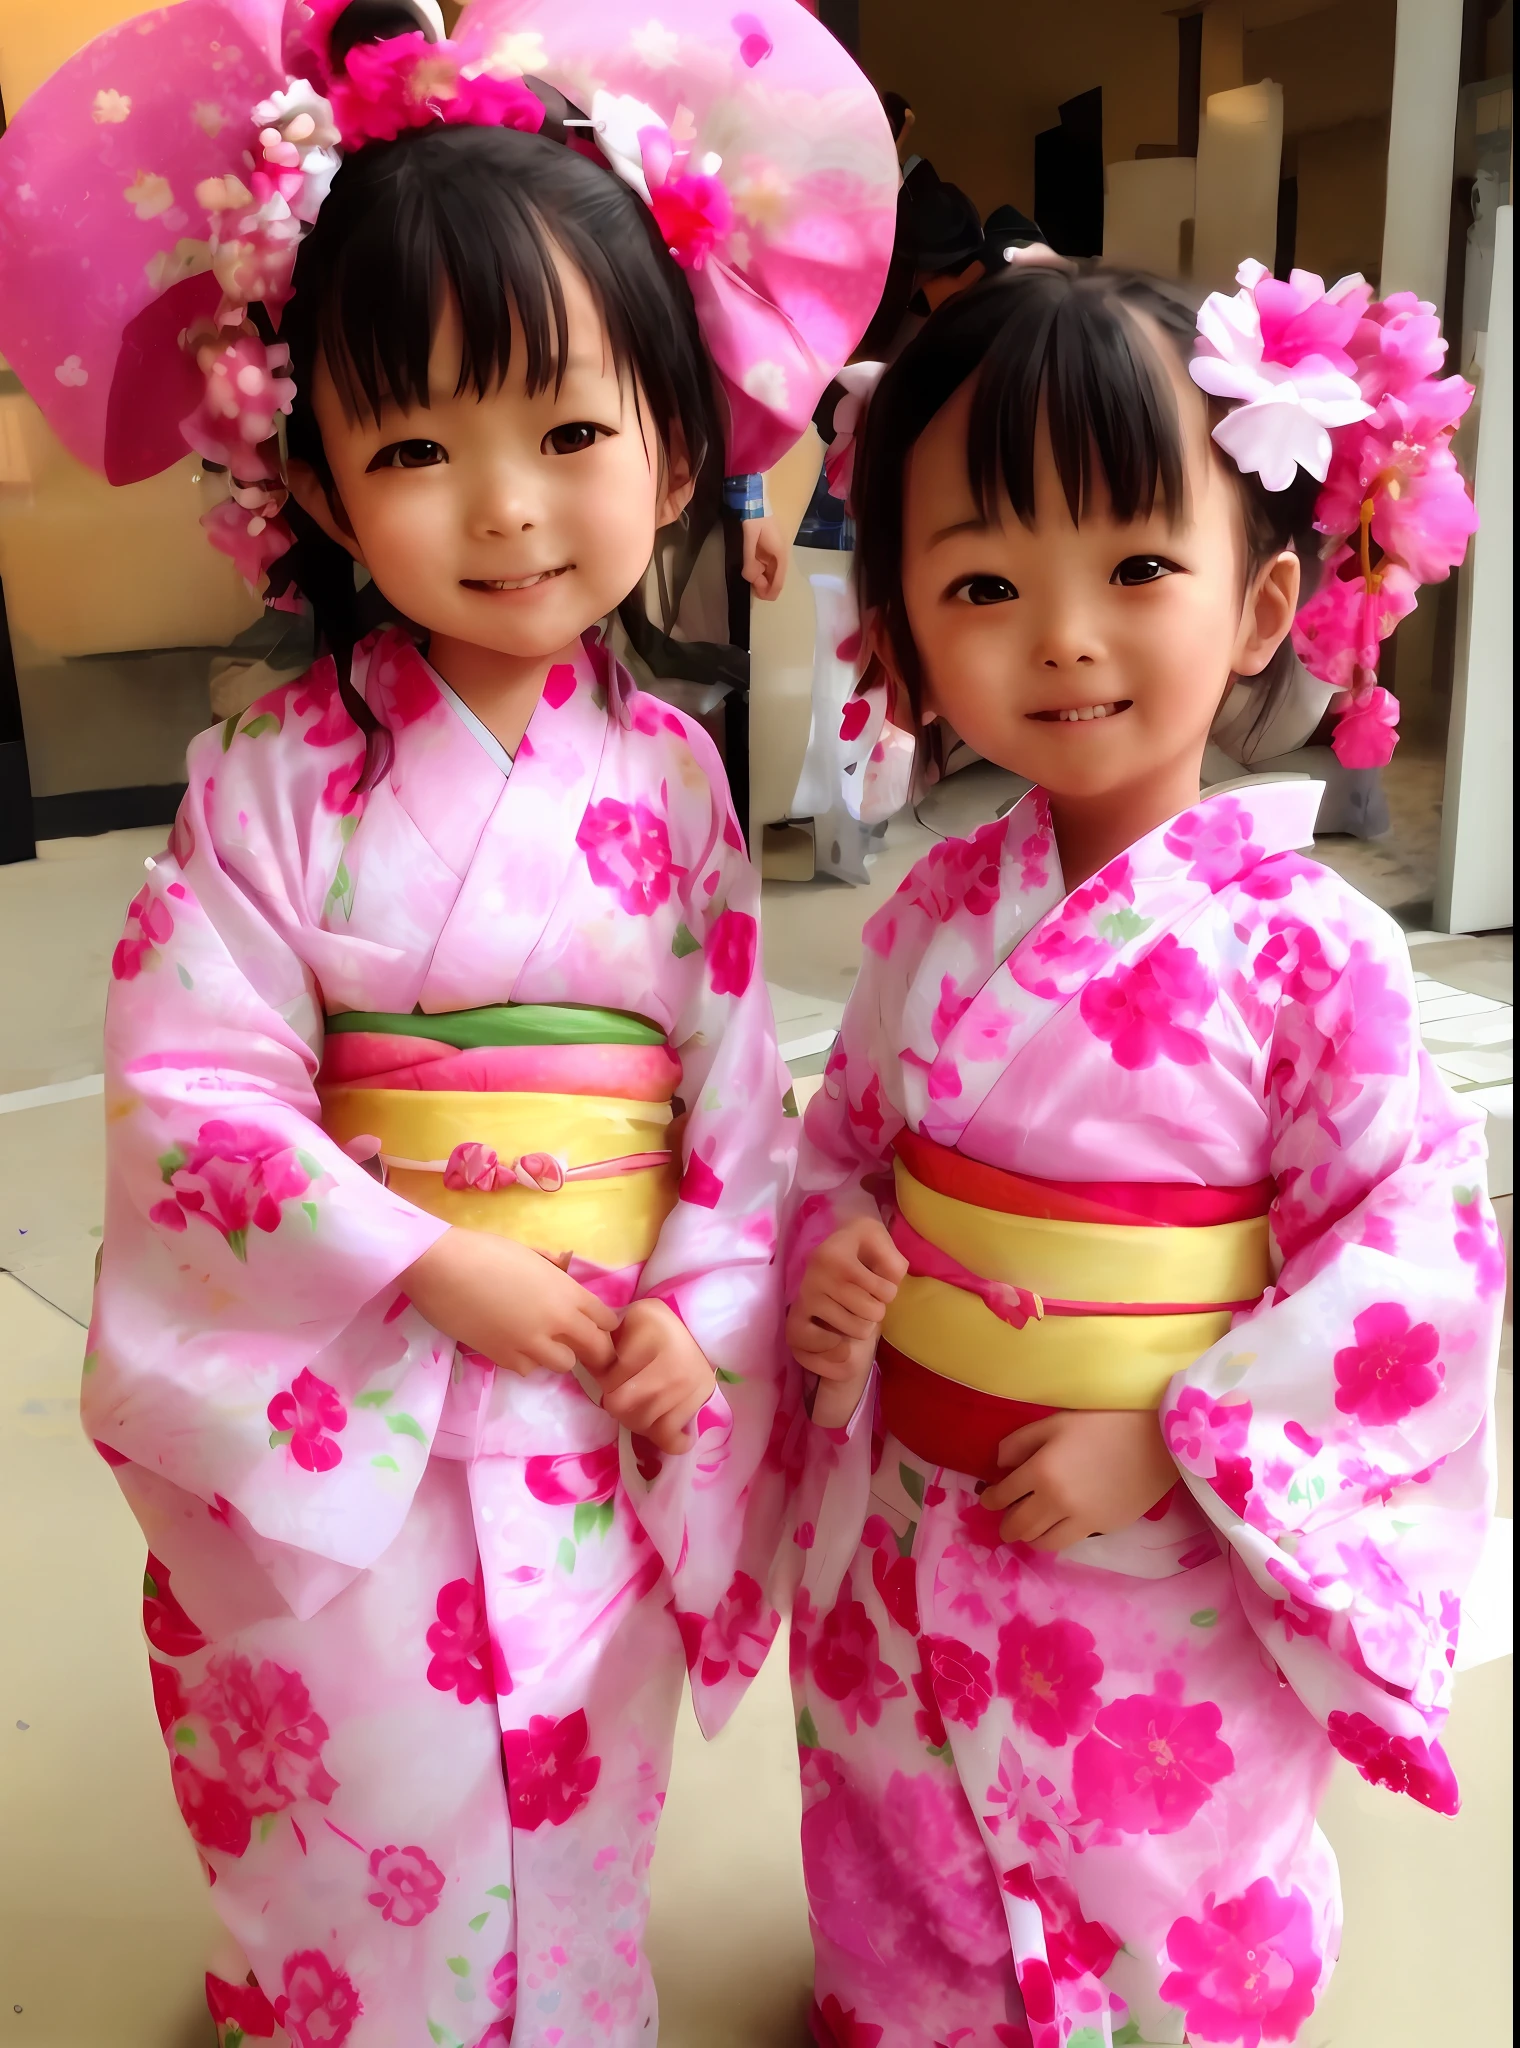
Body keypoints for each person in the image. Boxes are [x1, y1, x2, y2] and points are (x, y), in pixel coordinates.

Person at [0, 3, 897, 2042]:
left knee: (574, 1782)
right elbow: (196, 1086)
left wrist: (693, 1297)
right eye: (414, 445)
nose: (504, 508)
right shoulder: (262, 777)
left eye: (569, 432)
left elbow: (737, 1110)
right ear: (310, 474)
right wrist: (422, 1257)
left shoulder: (670, 780)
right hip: (357, 1400)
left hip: (590, 1395)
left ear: (678, 436)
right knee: (356, 1777)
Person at [783, 259, 1498, 2046]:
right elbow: (846, 1144)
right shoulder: (937, 915)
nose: (1066, 632)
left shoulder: (1308, 949)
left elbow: (1403, 1262)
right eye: (984, 583)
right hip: (922, 1520)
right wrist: (841, 1250)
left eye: (1139, 568)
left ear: (1264, 603)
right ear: (905, 628)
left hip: (1151, 1552)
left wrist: (1175, 1445)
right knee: (907, 1817)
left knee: (1157, 1850)